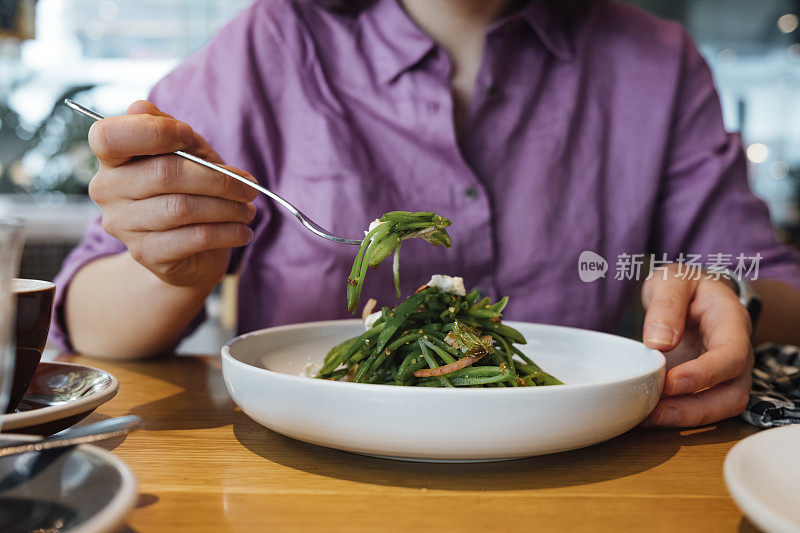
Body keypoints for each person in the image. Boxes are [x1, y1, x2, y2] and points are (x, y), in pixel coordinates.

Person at [52, 0, 800, 427]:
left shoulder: (656, 62)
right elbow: (88, 321)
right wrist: (177, 263)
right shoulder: (271, 43)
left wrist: (726, 297)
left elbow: (771, 284)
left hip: (594, 478)